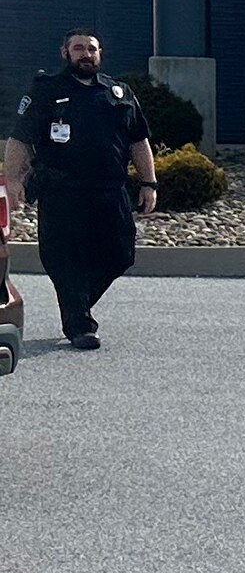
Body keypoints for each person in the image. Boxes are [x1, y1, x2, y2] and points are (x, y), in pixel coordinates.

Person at [5, 31, 157, 352]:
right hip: (62, 190)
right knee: (65, 257)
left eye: (91, 49)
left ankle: (78, 302)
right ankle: (79, 324)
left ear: (100, 53)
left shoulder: (118, 92)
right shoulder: (47, 90)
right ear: (65, 52)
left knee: (121, 254)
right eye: (78, 48)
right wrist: (13, 180)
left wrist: (149, 182)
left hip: (110, 189)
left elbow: (138, 140)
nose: (85, 54)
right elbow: (20, 139)